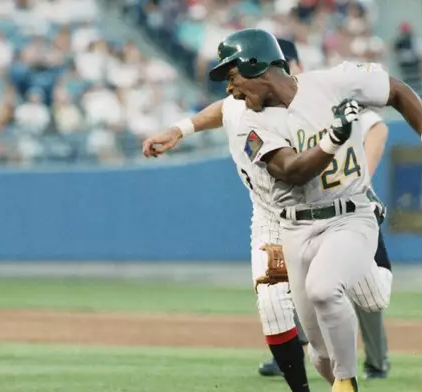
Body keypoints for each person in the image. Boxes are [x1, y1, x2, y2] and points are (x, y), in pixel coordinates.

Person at [204, 29, 422, 392]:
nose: (230, 89)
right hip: (295, 230)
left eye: (232, 76)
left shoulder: (333, 81)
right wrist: (333, 138)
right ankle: (342, 376)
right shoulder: (251, 124)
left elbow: (398, 90)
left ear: (256, 66)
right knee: (320, 355)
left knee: (326, 290)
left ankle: (347, 383)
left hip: (349, 215)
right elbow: (292, 171)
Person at [142, 38, 392, 382]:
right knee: (274, 306)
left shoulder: (321, 94)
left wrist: (363, 185)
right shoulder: (241, 102)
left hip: (330, 210)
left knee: (373, 299)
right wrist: (179, 130)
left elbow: (374, 127)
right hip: (271, 219)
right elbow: (222, 109)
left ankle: (374, 251)